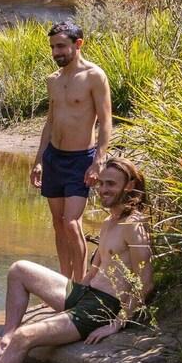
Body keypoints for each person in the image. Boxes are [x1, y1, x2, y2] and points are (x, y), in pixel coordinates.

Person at [0, 156, 151, 363]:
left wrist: (117, 324)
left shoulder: (134, 225)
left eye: (111, 184)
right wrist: (71, 300)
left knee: (25, 336)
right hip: (86, 296)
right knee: (19, 269)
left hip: (102, 309)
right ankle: (4, 341)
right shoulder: (110, 222)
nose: (103, 189)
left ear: (129, 186)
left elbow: (145, 282)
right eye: (101, 183)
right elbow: (94, 272)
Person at [29, 24, 113, 283]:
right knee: (57, 223)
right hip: (54, 158)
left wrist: (99, 160)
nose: (56, 52)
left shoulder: (94, 76)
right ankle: (64, 283)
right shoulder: (53, 80)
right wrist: (39, 160)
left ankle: (79, 285)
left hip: (81, 159)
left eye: (61, 46)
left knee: (71, 222)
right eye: (53, 47)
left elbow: (106, 120)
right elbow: (50, 122)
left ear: (78, 44)